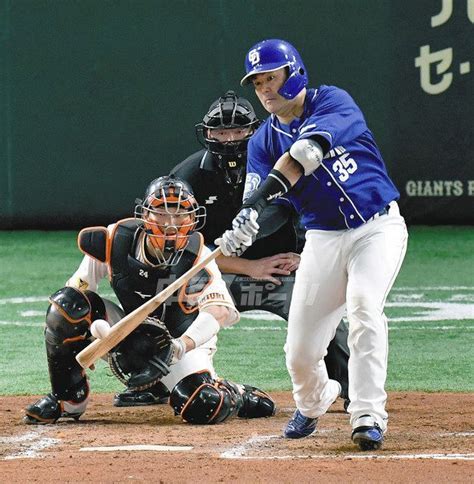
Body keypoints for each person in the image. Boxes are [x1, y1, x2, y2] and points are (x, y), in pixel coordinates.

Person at [216, 39, 408, 450]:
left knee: (363, 307)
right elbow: (273, 207)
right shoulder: (261, 142)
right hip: (323, 239)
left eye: (271, 78)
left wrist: (254, 202)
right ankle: (315, 399)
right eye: (258, 83)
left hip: (377, 229)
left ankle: (368, 413)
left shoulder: (333, 102)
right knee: (301, 349)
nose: (264, 89)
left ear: (294, 73)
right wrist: (247, 224)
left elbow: (305, 153)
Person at [24, 176, 275, 425]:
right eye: (162, 213)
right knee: (65, 306)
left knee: (204, 405)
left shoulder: (198, 255)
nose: (171, 223)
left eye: (179, 214)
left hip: (180, 344)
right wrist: (81, 340)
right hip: (130, 335)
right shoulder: (115, 240)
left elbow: (218, 310)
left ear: (192, 218)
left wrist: (180, 347)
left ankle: (234, 392)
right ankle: (68, 399)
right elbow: (76, 291)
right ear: (146, 215)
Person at [168, 90, 350, 407]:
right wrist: (251, 267)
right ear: (207, 134)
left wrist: (306, 257)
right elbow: (183, 251)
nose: (230, 139)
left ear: (255, 131)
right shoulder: (188, 177)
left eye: (238, 130)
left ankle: (351, 389)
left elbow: (324, 219)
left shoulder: (285, 166)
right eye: (222, 131)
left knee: (323, 308)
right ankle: (161, 381)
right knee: (171, 299)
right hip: (217, 275)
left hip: (282, 273)